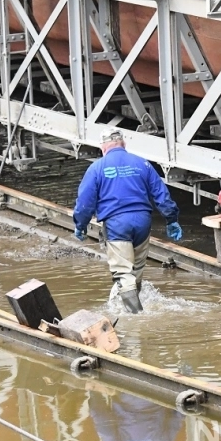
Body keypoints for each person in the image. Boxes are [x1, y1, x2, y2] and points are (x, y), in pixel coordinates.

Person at [73, 129, 182, 313]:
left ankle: (136, 319)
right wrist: (171, 219)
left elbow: (85, 202)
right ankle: (130, 306)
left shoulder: (97, 168)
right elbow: (161, 195)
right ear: (123, 144)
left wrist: (80, 225)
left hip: (117, 223)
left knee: (123, 274)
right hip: (143, 221)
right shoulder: (142, 164)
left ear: (103, 147)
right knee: (136, 271)